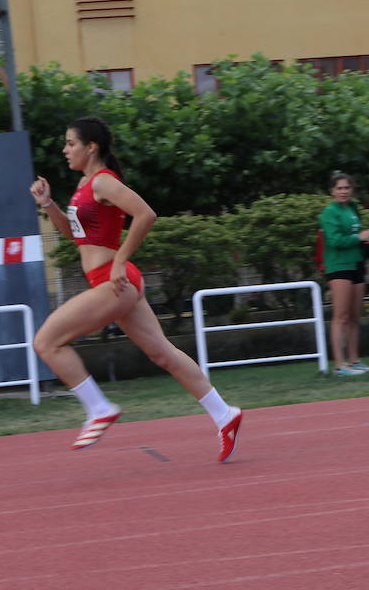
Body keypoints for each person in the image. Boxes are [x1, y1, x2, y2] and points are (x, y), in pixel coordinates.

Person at [29, 116, 243, 461]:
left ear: (91, 147)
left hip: (114, 281)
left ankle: (99, 408)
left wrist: (118, 261)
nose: (64, 149)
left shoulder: (103, 182)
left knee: (46, 342)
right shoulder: (86, 185)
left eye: (70, 143)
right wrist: (47, 204)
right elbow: (75, 236)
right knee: (162, 354)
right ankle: (224, 414)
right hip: (114, 281)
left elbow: (146, 215)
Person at [319, 172, 369, 376]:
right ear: (332, 191)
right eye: (339, 188)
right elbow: (335, 241)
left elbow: (357, 238)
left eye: (347, 188)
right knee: (340, 316)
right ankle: (339, 364)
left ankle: (354, 360)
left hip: (357, 264)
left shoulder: (353, 209)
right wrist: (359, 236)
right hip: (339, 266)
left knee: (354, 316)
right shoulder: (329, 213)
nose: (344, 191)